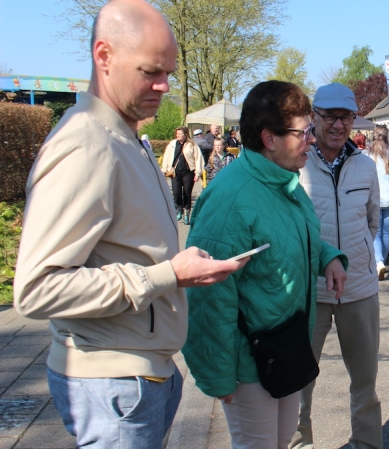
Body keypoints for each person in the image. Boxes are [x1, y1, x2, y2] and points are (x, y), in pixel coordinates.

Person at [13, 1, 246, 446]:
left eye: (168, 72)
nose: (164, 85)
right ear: (104, 56)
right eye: (150, 71)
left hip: (135, 378)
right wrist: (167, 275)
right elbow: (37, 288)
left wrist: (177, 268)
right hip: (113, 384)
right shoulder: (87, 144)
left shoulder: (124, 137)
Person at [183, 80, 348, 449]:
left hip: (285, 347)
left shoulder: (283, 182)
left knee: (282, 441)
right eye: (304, 132)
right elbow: (208, 296)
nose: (313, 139)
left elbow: (289, 239)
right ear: (269, 138)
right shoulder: (230, 198)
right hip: (249, 361)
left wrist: (328, 257)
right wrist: (218, 376)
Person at [292, 83, 382, 449]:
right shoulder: (296, 163)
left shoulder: (366, 166)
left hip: (359, 288)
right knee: (298, 382)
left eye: (346, 117)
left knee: (365, 382)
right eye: (330, 116)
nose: (338, 125)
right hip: (310, 291)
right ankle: (298, 443)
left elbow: (372, 223)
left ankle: (366, 444)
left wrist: (355, 257)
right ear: (314, 117)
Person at [365, 139, 389, 280]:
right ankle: (382, 260)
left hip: (375, 196)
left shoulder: (366, 155)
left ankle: (379, 262)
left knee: (376, 231)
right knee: (386, 231)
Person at [162, 126, 204, 225]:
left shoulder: (192, 145)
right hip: (175, 172)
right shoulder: (172, 144)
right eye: (177, 134)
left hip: (188, 172)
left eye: (180, 134)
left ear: (185, 134)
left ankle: (186, 214)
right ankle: (179, 209)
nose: (178, 135)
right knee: (176, 193)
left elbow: (198, 158)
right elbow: (166, 157)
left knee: (187, 193)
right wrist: (164, 169)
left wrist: (198, 173)